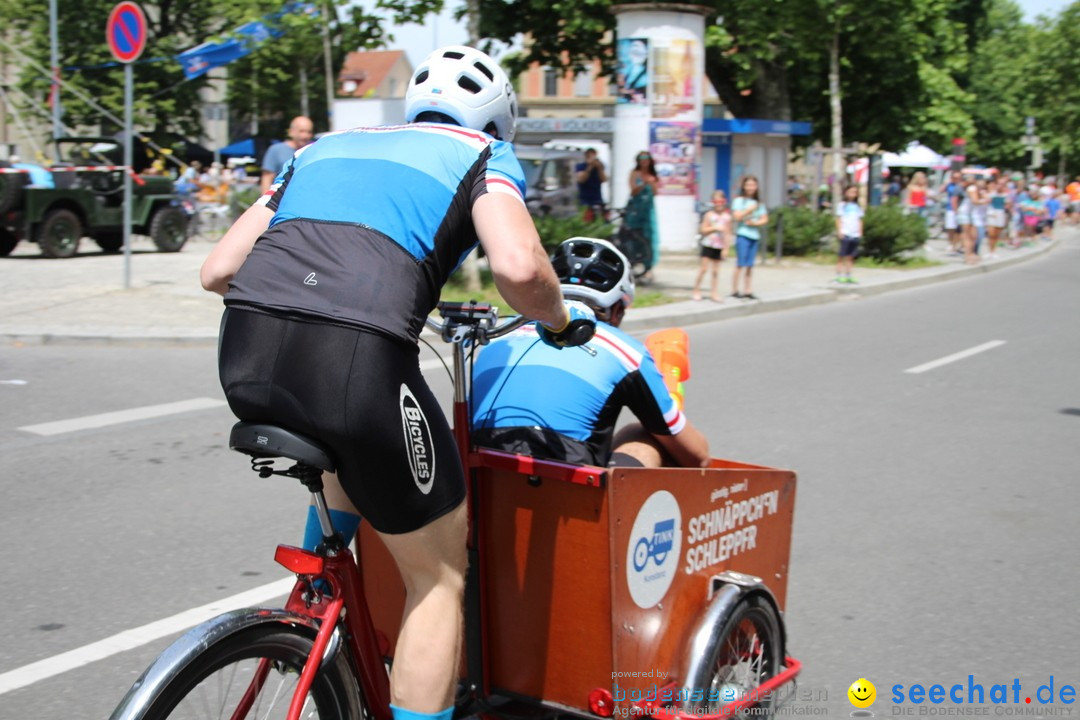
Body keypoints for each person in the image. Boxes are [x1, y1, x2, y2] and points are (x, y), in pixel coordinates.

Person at [200, 46, 595, 720]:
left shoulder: (319, 148)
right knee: (439, 577)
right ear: (497, 121)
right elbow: (521, 269)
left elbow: (216, 271)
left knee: (346, 446)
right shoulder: (481, 153)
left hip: (244, 351)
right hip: (356, 363)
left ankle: (317, 581)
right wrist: (559, 319)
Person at [471, 237, 710, 469]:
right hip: (565, 482)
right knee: (642, 434)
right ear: (617, 309)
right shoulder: (626, 351)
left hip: (479, 471)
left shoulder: (500, 334)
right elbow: (696, 457)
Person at [730, 175, 768, 300]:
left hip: (754, 235)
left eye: (753, 185)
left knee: (750, 265)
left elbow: (764, 219)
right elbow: (736, 217)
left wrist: (755, 223)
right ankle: (735, 290)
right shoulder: (739, 201)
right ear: (744, 186)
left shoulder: (759, 203)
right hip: (743, 234)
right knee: (740, 263)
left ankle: (748, 290)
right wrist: (749, 210)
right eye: (748, 185)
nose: (751, 187)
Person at [692, 189, 731, 302]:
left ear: (724, 202)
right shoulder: (709, 215)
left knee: (715, 271)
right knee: (704, 269)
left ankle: (714, 292)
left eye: (721, 202)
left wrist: (726, 248)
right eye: (716, 202)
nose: (719, 204)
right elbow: (702, 229)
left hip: (719, 246)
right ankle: (696, 289)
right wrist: (714, 228)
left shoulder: (727, 217)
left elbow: (728, 233)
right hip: (708, 244)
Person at [625, 151, 659, 278]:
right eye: (642, 159)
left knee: (648, 237)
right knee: (633, 236)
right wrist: (643, 183)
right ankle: (633, 263)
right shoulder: (635, 173)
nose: (644, 161)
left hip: (648, 210)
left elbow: (655, 192)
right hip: (635, 209)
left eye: (647, 159)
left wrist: (652, 182)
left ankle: (648, 266)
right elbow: (633, 191)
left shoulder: (652, 175)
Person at [259, 115, 314, 193]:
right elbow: (267, 178)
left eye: (309, 132)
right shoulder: (276, 150)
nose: (305, 135)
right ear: (291, 132)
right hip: (280, 200)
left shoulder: (312, 151)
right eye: (301, 131)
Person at [834, 184, 863, 284]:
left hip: (854, 234)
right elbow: (838, 219)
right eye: (851, 192)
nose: (853, 194)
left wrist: (860, 232)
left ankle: (848, 274)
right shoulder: (842, 205)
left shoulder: (857, 206)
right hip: (845, 232)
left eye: (855, 192)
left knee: (851, 256)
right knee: (842, 255)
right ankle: (838, 275)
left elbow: (860, 220)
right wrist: (839, 231)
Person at [575, 148, 607, 222]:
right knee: (586, 220)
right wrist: (590, 167)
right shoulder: (581, 166)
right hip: (584, 199)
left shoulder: (599, 166)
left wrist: (599, 168)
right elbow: (581, 179)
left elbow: (604, 179)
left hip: (597, 198)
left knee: (599, 221)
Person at [986, 178, 1009, 258]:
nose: (1000, 186)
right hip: (992, 213)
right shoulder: (992, 194)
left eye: (1002, 185)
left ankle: (994, 251)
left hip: (1000, 213)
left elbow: (1007, 206)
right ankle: (990, 250)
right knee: (991, 233)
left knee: (997, 234)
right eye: (999, 184)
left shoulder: (1006, 195)